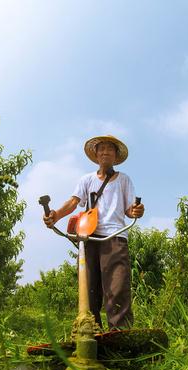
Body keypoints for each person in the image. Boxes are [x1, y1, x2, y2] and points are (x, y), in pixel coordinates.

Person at [43, 135, 144, 329]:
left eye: (110, 149)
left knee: (117, 288)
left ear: (115, 156)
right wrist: (55, 215)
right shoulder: (86, 180)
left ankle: (119, 335)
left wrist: (137, 210)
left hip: (115, 237)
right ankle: (91, 333)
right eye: (102, 149)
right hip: (88, 238)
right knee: (88, 290)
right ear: (96, 155)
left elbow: (130, 210)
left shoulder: (123, 180)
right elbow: (73, 202)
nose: (105, 152)